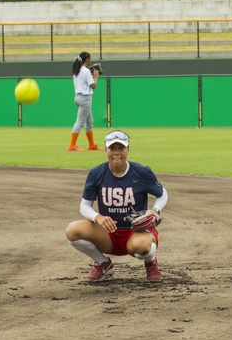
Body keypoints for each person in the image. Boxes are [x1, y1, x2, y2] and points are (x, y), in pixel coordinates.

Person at [65, 130, 168, 282]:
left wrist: (155, 210)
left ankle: (150, 262)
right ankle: (103, 263)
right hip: (108, 232)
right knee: (72, 230)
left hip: (136, 231)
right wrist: (97, 217)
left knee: (143, 248)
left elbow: (162, 193)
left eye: (121, 148)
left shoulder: (141, 172)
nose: (116, 152)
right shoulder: (96, 173)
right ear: (106, 150)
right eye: (112, 148)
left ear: (128, 150)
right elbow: (84, 205)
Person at [68, 52, 101, 152]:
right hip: (85, 99)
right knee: (80, 122)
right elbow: (93, 86)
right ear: (86, 59)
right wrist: (95, 76)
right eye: (90, 58)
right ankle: (72, 145)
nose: (91, 59)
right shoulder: (85, 71)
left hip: (78, 97)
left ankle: (91, 145)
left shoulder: (77, 71)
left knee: (89, 122)